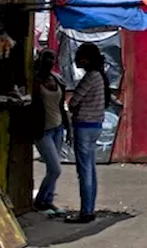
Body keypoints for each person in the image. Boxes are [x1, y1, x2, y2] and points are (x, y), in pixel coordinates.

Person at [68, 42, 108, 223]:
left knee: (84, 171)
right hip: (95, 126)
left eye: (80, 56)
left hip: (84, 126)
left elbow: (73, 102)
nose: (77, 59)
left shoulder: (90, 77)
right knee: (90, 169)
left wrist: (72, 107)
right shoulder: (100, 76)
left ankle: (86, 212)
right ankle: (89, 209)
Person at [31, 49, 70, 212]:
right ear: (39, 59)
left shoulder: (57, 79)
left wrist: (69, 128)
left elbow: (62, 107)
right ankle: (40, 201)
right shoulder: (34, 81)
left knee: (53, 168)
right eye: (46, 57)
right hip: (43, 131)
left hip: (58, 128)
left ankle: (48, 200)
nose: (49, 61)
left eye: (52, 58)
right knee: (55, 169)